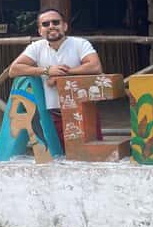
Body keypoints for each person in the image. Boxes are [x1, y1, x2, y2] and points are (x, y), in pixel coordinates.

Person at [9, 8, 103, 148]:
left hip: (83, 111)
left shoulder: (80, 43)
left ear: (64, 26)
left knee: (91, 157)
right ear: (40, 30)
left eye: (55, 22)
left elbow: (95, 67)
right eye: (45, 24)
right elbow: (14, 70)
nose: (51, 26)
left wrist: (63, 74)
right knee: (59, 160)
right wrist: (47, 71)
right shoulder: (36, 47)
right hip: (52, 115)